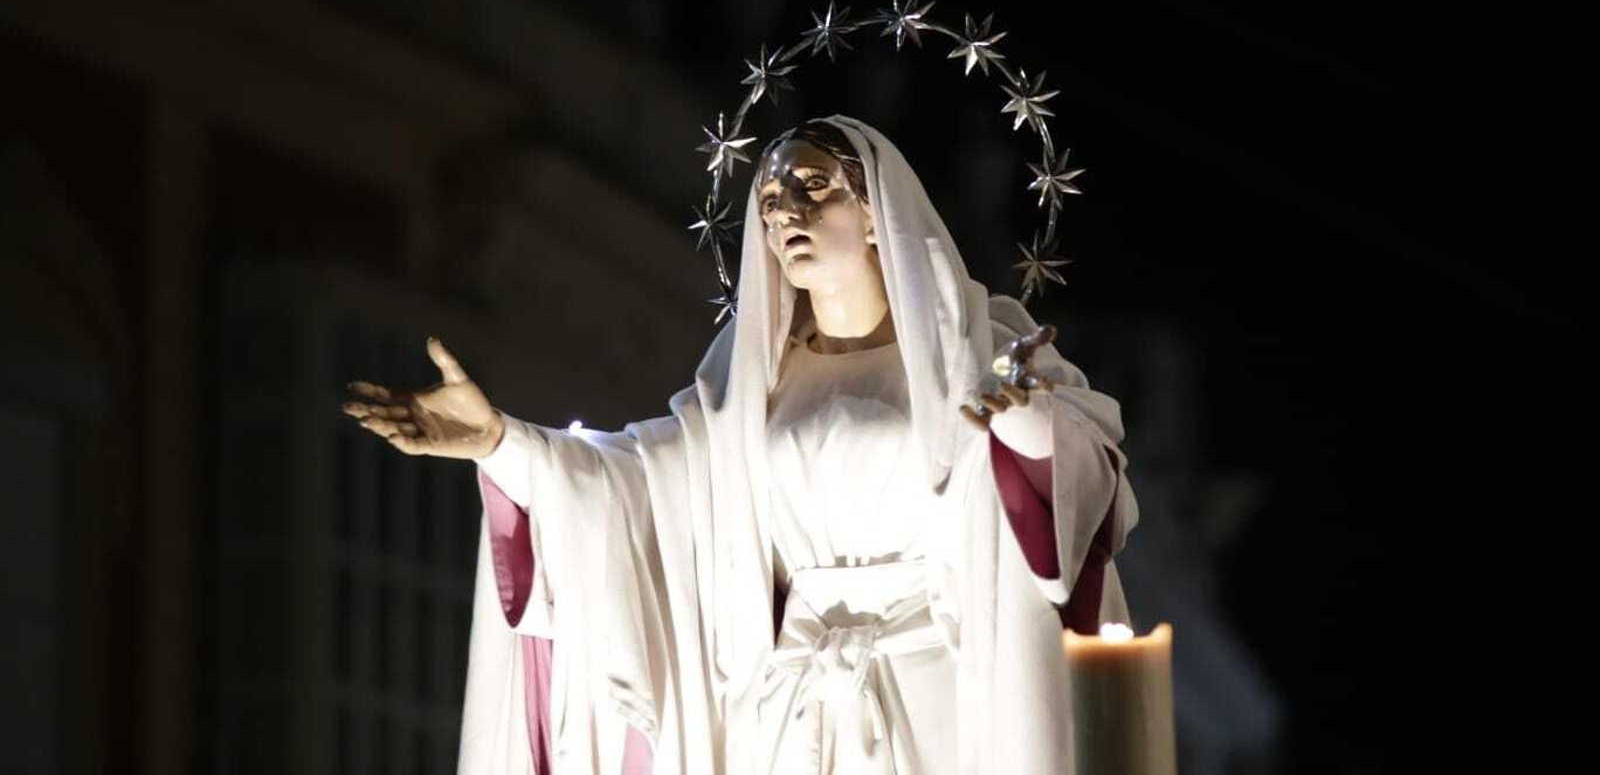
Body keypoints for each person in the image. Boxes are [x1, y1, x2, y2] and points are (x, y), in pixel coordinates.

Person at [345, 116, 1139, 774]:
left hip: (934, 699)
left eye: (811, 185)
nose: (785, 208)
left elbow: (1076, 491)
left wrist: (1022, 423)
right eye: (767, 197)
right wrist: (501, 442)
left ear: (875, 212)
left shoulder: (972, 354)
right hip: (789, 719)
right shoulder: (745, 398)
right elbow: (632, 490)